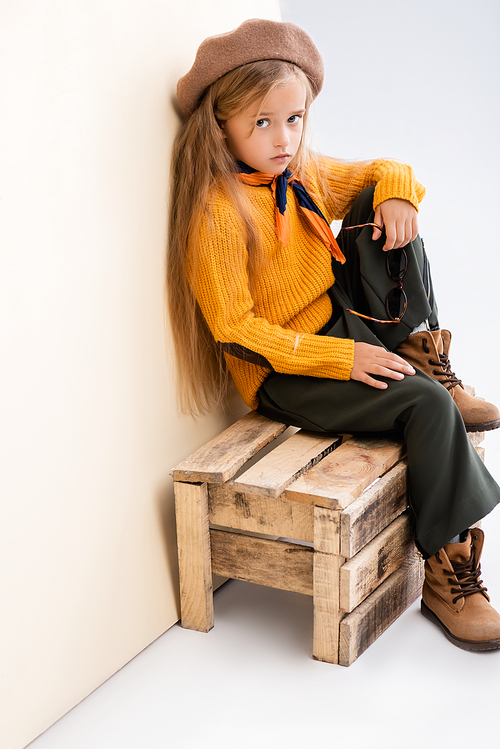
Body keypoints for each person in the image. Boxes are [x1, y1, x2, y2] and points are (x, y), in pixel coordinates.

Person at [167, 18, 500, 651]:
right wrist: (340, 358)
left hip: (337, 323)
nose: (283, 137)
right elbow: (235, 328)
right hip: (287, 370)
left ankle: (421, 352)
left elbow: (381, 169)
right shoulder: (218, 213)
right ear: (221, 127)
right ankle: (448, 565)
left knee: (382, 206)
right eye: (262, 122)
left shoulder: (300, 173)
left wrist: (397, 195)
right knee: (425, 409)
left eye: (294, 119)